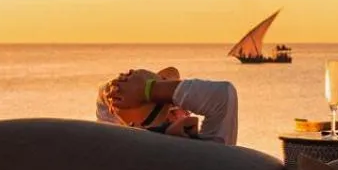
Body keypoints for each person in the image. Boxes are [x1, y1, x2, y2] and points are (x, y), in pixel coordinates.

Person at [95, 66, 240, 146]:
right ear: (171, 117)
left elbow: (103, 100)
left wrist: (120, 90)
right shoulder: (203, 154)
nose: (188, 110)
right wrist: (147, 90)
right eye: (176, 104)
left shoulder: (122, 152)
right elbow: (224, 95)